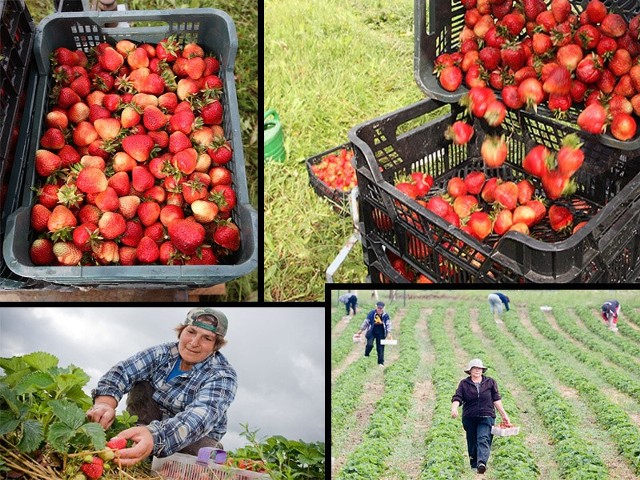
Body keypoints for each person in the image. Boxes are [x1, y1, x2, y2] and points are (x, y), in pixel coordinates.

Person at [86, 308, 237, 466]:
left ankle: (208, 450)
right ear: (181, 331)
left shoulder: (222, 376)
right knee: (141, 383)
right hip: (151, 420)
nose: (194, 343)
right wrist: (104, 403)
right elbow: (123, 371)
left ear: (215, 346)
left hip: (192, 436)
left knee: (183, 462)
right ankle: (140, 436)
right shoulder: (162, 353)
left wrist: (154, 436)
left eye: (206, 338)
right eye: (191, 332)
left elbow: (199, 418)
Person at [451, 359, 511, 475]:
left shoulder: (490, 382)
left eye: (480, 368)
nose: (478, 370)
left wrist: (504, 415)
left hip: (487, 415)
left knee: (483, 438)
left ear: (482, 370)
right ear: (470, 371)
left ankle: (481, 463)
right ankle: (474, 464)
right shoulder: (464, 384)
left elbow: (496, 399)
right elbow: (457, 397)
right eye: (475, 368)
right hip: (470, 417)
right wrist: (454, 409)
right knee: (472, 440)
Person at [355, 301, 392, 367]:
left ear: (383, 308)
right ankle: (366, 355)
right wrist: (361, 330)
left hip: (381, 333)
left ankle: (381, 363)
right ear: (376, 307)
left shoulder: (385, 315)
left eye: (381, 308)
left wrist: (389, 333)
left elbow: (388, 324)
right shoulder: (372, 313)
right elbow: (366, 322)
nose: (379, 309)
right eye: (378, 308)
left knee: (380, 348)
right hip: (372, 331)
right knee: (369, 344)